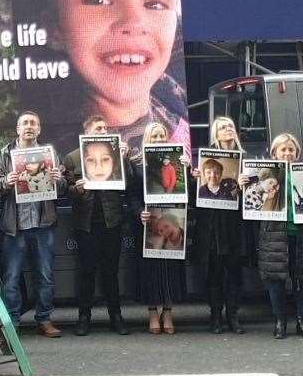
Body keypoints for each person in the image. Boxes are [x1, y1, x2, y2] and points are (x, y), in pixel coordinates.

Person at [14, 0, 190, 157]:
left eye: (155, 3)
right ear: (54, 28)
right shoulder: (46, 153)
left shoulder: (173, 94)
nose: (134, 22)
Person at [0, 111, 67, 337]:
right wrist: (6, 182)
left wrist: (58, 180)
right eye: (24, 123)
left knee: (44, 275)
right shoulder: (6, 154)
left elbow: (64, 185)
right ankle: (12, 322)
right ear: (17, 129)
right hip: (15, 227)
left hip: (43, 224)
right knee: (11, 277)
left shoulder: (50, 153)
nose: (29, 126)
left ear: (39, 129)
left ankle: (44, 320)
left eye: (33, 123)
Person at [64, 115, 133, 336]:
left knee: (110, 272)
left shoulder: (117, 154)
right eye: (98, 128)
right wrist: (77, 189)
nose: (103, 131)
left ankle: (116, 317)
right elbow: (64, 191)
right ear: (87, 132)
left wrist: (125, 160)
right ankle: (84, 318)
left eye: (105, 128)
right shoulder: (73, 158)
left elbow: (131, 184)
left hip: (112, 221)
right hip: (85, 224)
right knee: (86, 272)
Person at [256, 134, 303, 340]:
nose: (287, 153)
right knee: (276, 280)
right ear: (274, 153)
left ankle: (302, 321)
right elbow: (256, 198)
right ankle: (280, 321)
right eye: (283, 150)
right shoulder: (265, 174)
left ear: (297, 153)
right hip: (275, 233)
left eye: (291, 150)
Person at [191, 117, 249, 334]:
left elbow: (254, 200)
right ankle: (215, 316)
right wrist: (193, 180)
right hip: (211, 227)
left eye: (231, 127)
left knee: (235, 273)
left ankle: (233, 316)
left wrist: (246, 186)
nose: (227, 130)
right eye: (223, 127)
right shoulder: (204, 160)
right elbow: (194, 199)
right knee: (213, 273)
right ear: (216, 133)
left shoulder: (245, 160)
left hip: (235, 226)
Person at [133, 121, 188, 335]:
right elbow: (132, 197)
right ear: (147, 138)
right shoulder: (136, 164)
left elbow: (187, 191)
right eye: (154, 136)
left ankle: (167, 311)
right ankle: (152, 313)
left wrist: (186, 169)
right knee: (150, 269)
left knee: (170, 266)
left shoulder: (178, 161)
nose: (158, 139)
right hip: (148, 223)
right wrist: (139, 212)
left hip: (173, 218)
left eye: (161, 135)